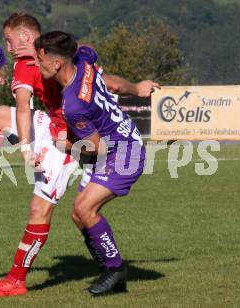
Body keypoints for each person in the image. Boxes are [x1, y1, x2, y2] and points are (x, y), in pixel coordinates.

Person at [0, 13, 157, 297]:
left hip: (95, 146)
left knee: (68, 210)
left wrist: (36, 147)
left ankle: (107, 270)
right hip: (73, 135)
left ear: (51, 58)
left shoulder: (64, 92)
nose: (9, 47)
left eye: (10, 40)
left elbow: (30, 108)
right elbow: (109, 81)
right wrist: (136, 88)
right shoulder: (74, 57)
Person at [34, 30, 152, 295]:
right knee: (79, 215)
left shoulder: (73, 105)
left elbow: (96, 147)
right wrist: (138, 89)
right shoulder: (84, 60)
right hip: (121, 144)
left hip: (124, 153)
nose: (36, 64)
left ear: (56, 63)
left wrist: (66, 146)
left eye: (39, 59)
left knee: (84, 208)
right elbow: (115, 84)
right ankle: (109, 270)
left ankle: (115, 269)